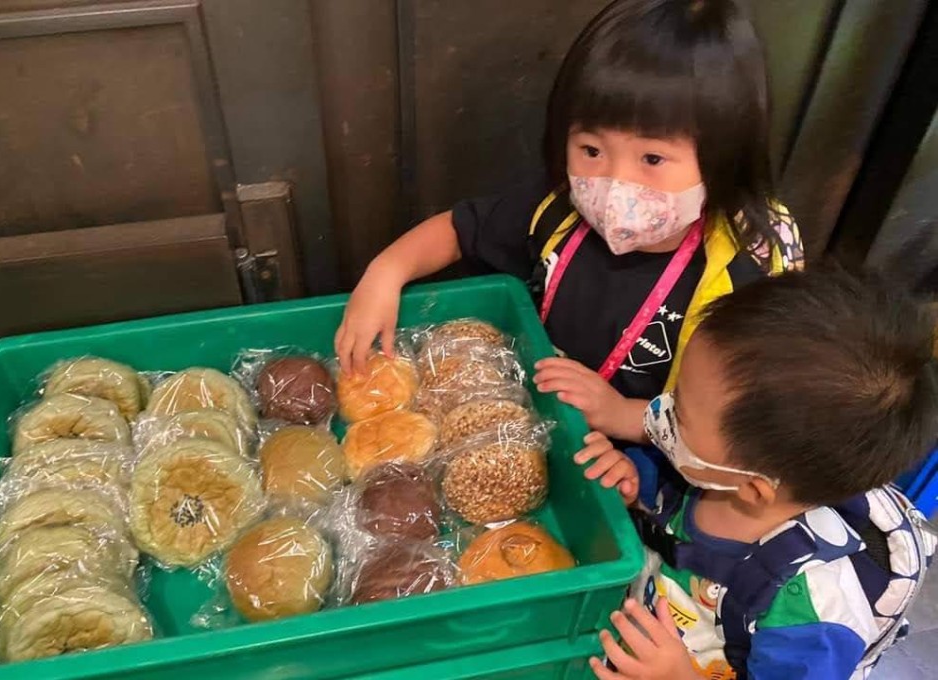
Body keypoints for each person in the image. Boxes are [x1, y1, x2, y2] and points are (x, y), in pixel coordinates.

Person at [335, 0, 804, 450]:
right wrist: (386, 270)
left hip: (646, 457)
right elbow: (459, 230)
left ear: (726, 158)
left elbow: (740, 427)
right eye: (591, 150)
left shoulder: (746, 273)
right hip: (532, 419)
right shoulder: (557, 206)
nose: (615, 184)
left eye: (653, 158)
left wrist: (625, 415)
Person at [577, 268, 938, 680]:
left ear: (752, 488)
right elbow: (660, 505)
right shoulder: (699, 473)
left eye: (679, 412)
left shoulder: (811, 614)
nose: (660, 411)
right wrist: (632, 488)